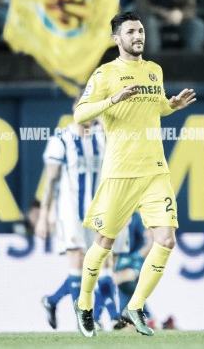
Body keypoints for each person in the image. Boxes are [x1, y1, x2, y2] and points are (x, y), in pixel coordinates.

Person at [71, 10, 197, 337]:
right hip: (120, 172)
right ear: (117, 39)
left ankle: (135, 306)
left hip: (155, 171)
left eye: (140, 31)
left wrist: (172, 105)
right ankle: (84, 303)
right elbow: (80, 114)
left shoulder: (154, 71)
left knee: (166, 239)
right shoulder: (105, 74)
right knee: (104, 243)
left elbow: (154, 108)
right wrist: (111, 99)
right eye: (130, 32)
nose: (138, 36)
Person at [35, 111, 128, 331]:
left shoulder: (102, 138)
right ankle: (87, 319)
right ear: (76, 108)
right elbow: (50, 179)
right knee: (78, 260)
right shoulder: (61, 139)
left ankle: (53, 301)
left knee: (102, 264)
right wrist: (44, 214)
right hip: (70, 211)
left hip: (99, 211)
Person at [135, 0, 204, 54]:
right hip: (153, 18)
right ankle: (154, 62)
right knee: (150, 24)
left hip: (178, 20)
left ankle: (189, 62)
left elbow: (191, 6)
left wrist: (181, 14)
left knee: (198, 26)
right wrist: (164, 13)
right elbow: (141, 6)